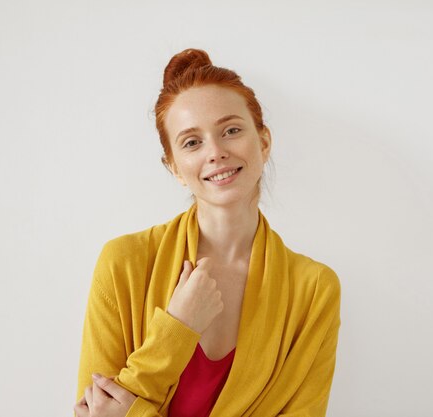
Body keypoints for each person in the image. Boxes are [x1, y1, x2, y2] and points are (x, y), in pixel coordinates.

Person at [74, 48, 341, 417]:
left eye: (231, 131)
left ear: (263, 142)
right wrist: (178, 329)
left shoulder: (314, 290)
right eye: (192, 142)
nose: (215, 152)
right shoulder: (124, 264)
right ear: (174, 167)